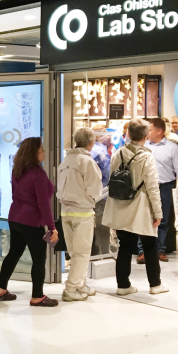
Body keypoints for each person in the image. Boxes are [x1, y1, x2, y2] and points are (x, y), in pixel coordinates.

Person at [103, 118, 168, 295]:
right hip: (141, 206)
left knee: (125, 245)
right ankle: (155, 285)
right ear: (146, 136)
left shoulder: (118, 154)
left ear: (129, 134)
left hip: (120, 203)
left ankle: (123, 285)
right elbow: (152, 186)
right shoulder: (146, 156)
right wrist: (158, 211)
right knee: (150, 245)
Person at [0, 137, 59, 307]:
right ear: (34, 153)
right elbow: (43, 203)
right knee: (38, 258)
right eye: (41, 149)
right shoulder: (38, 174)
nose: (44, 152)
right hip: (31, 220)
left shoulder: (18, 170)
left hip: (15, 218)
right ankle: (37, 296)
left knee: (14, 253)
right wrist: (52, 227)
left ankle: (0, 289)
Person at [56, 128, 102, 302]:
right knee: (82, 253)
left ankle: (80, 283)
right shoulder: (87, 162)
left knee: (75, 252)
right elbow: (95, 189)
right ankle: (71, 288)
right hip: (83, 212)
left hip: (66, 211)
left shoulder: (65, 160)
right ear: (90, 143)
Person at [144, 118, 178, 263]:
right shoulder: (144, 146)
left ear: (159, 131)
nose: (148, 132)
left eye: (150, 129)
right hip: (147, 187)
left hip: (166, 186)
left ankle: (160, 249)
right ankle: (143, 250)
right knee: (146, 218)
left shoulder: (173, 148)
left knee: (163, 220)